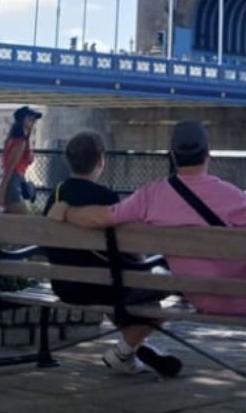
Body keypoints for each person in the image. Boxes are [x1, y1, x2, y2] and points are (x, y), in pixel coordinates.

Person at [48, 120, 246, 390]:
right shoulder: (230, 195)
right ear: (209, 155)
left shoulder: (151, 195)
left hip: (199, 296)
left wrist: (67, 212)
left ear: (172, 156)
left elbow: (104, 217)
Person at [42, 130, 182, 377]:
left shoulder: (56, 196)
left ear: (69, 160)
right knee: (163, 292)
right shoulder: (106, 198)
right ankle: (124, 350)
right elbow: (132, 251)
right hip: (104, 287)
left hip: (65, 286)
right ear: (100, 160)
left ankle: (135, 349)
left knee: (111, 281)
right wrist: (145, 263)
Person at [0, 105, 42, 214]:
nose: (33, 122)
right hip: (14, 179)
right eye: (30, 119)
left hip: (17, 179)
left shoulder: (18, 140)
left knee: (11, 217)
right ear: (21, 121)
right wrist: (1, 192)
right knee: (22, 216)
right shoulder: (20, 141)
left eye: (34, 120)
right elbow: (11, 166)